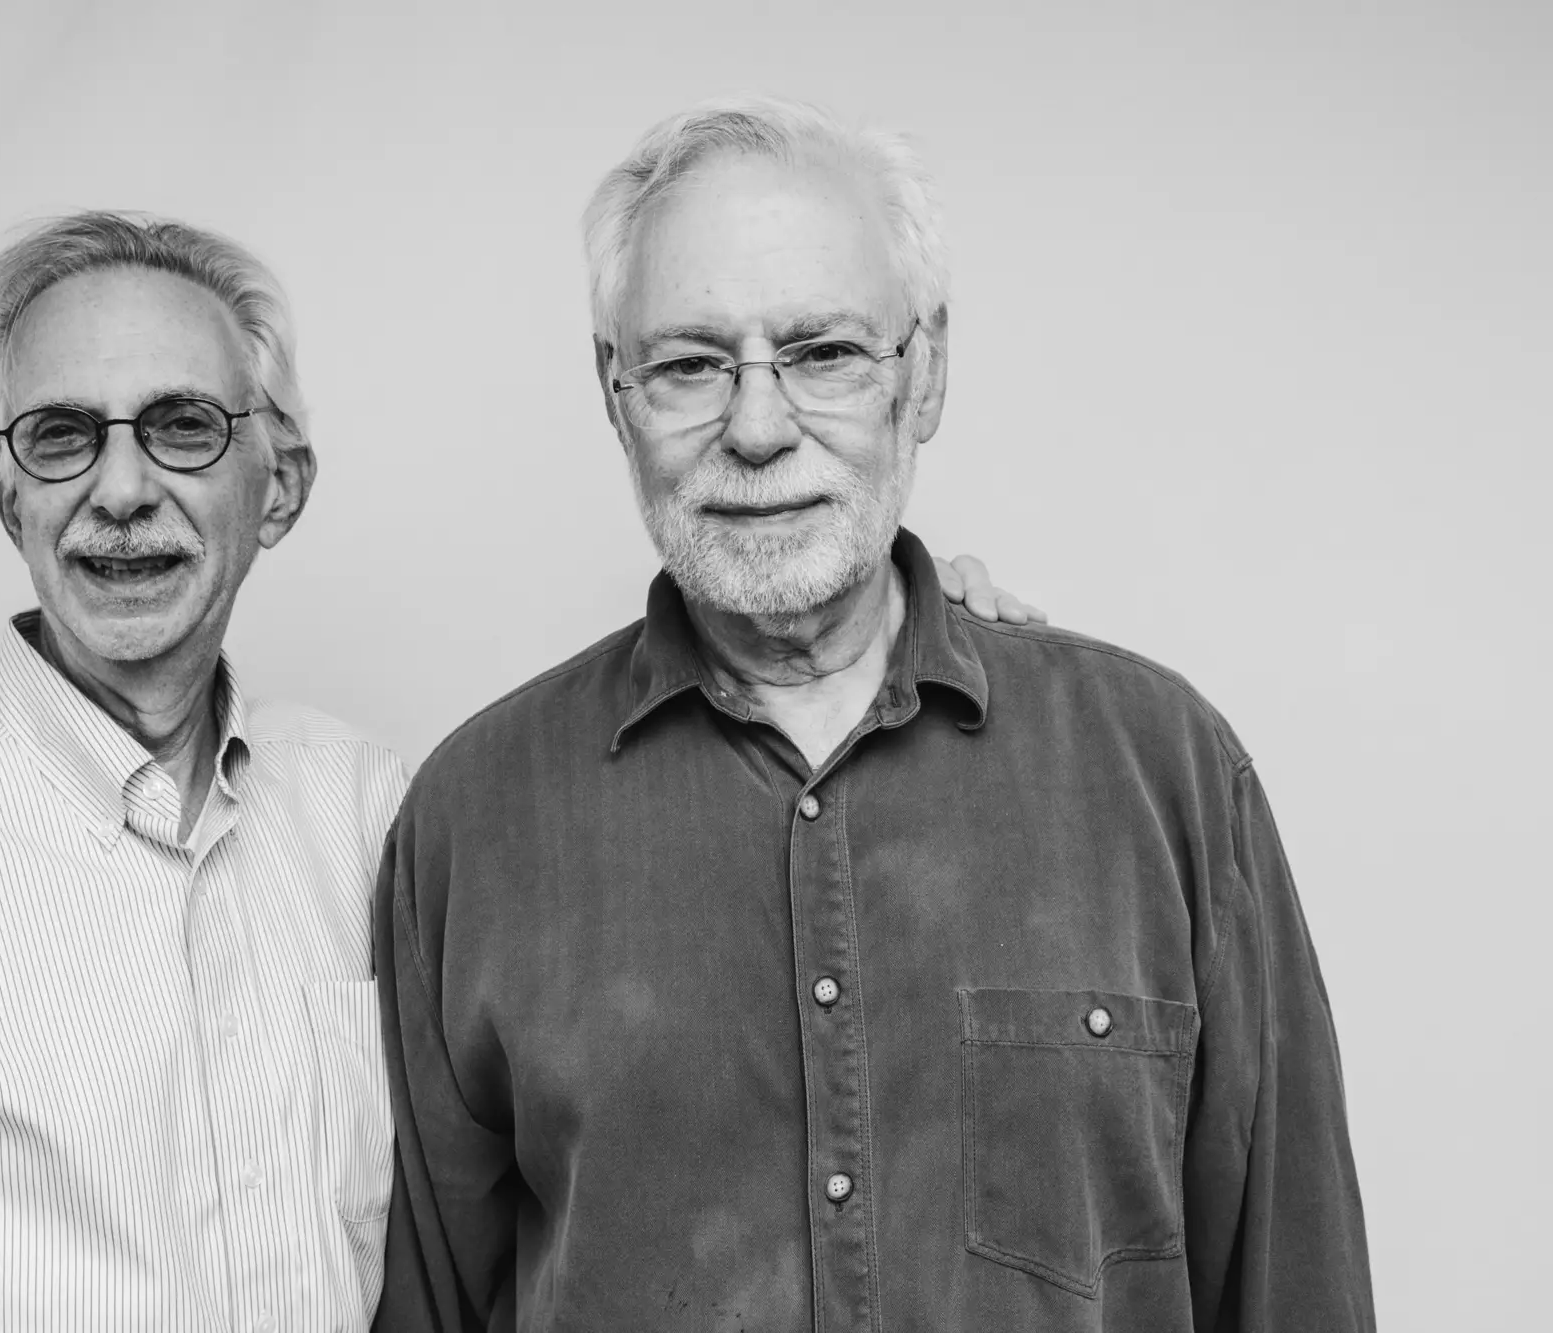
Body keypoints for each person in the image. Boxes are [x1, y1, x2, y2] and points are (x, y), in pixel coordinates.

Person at [0, 211, 1024, 1332]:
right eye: (59, 438)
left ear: (283, 486)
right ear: (5, 491)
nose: (120, 490)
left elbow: (641, 975)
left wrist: (890, 635)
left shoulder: (385, 817)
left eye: (184, 427)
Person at [372, 97, 1373, 1332]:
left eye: (822, 352)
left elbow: (1292, 1287)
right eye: (688, 364)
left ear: (925, 371)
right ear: (614, 394)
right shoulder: (471, 824)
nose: (756, 427)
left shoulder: (1162, 775)